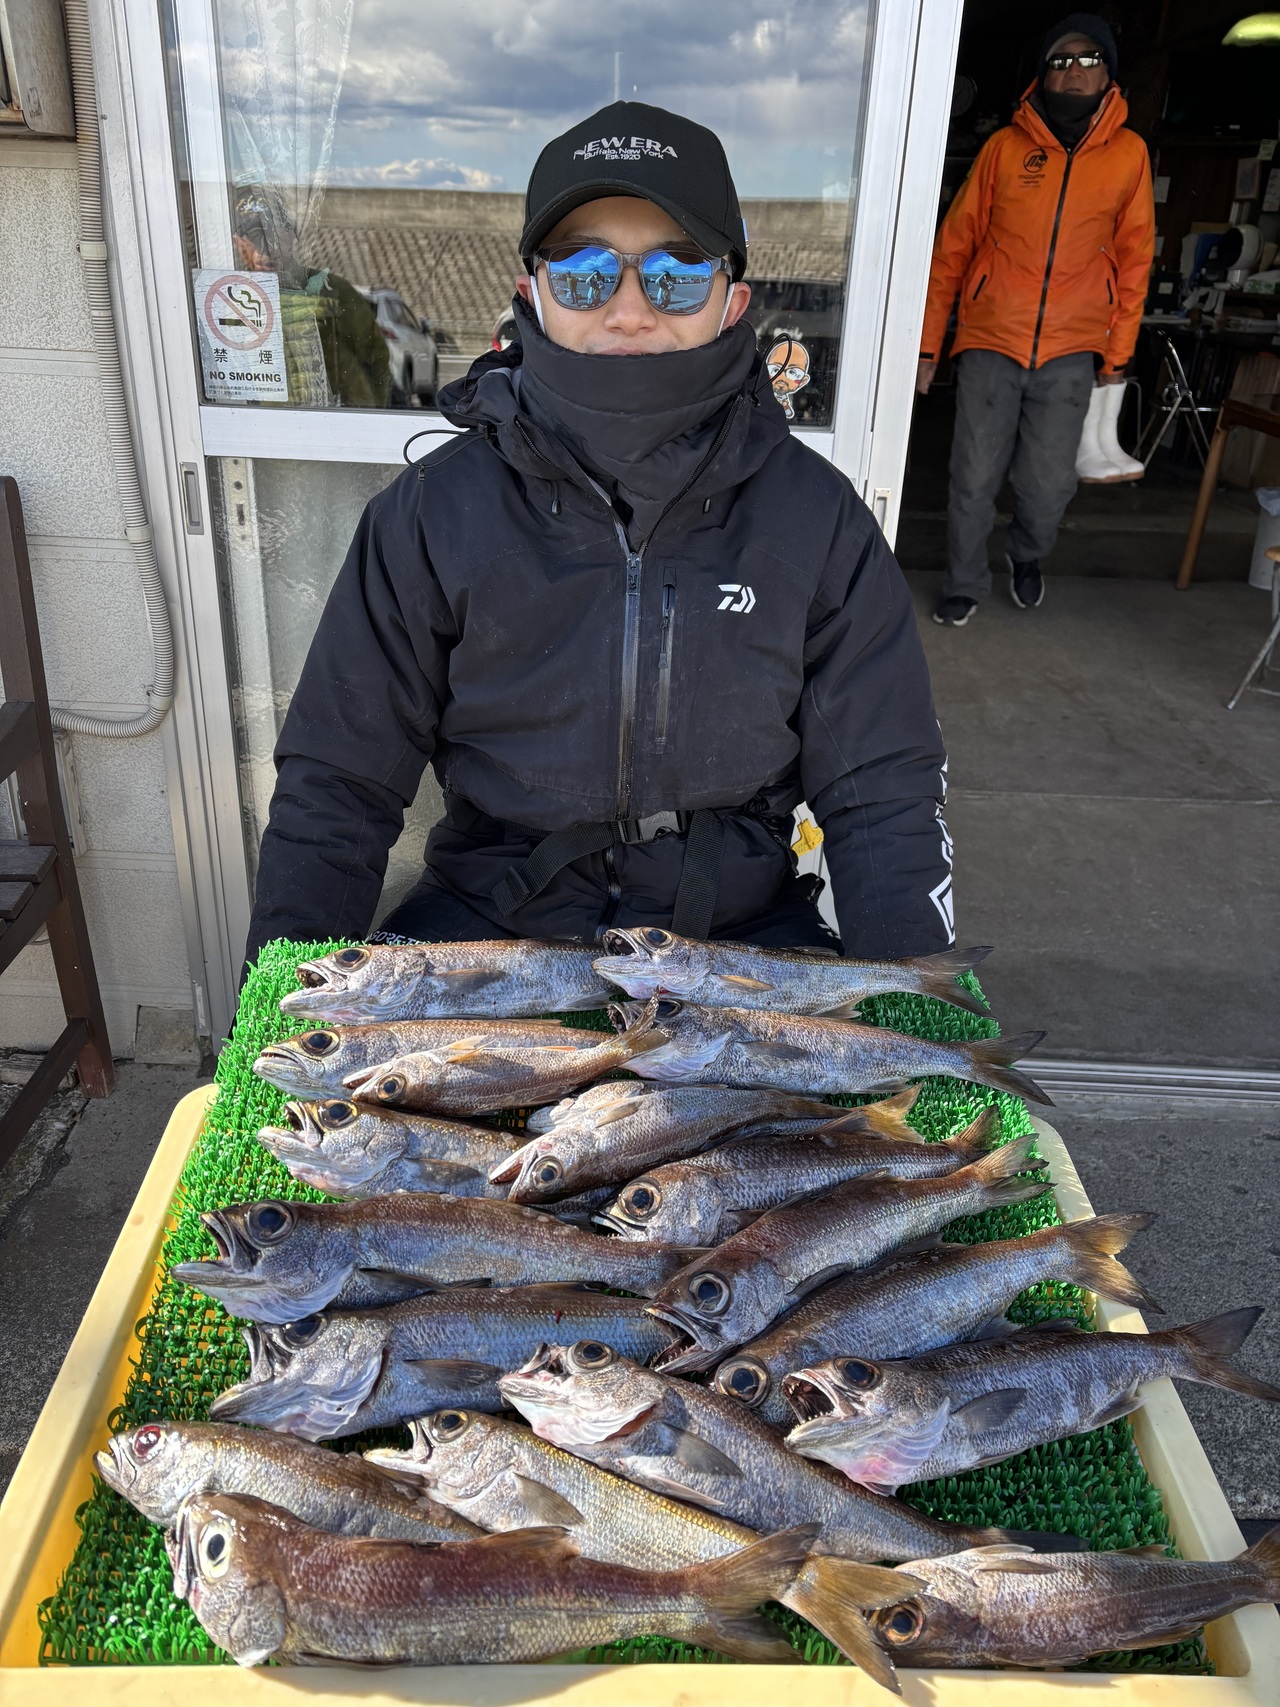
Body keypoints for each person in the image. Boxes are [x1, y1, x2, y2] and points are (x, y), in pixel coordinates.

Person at [244, 101, 954, 964]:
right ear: (532, 294)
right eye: (583, 272)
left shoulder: (819, 519)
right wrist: (279, 998)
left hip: (735, 932)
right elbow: (337, 780)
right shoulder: (430, 512)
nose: (628, 310)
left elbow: (883, 788)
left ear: (733, 303)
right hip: (488, 921)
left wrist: (918, 993)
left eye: (676, 273)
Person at [918, 13, 1155, 626]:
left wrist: (1118, 357)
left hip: (1072, 350)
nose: (1073, 72)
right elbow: (953, 249)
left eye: (1087, 59)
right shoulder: (1004, 148)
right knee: (972, 477)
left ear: (1108, 73)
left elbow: (1135, 260)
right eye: (1060, 61)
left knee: (1047, 485)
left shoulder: (1129, 155)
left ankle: (1026, 553)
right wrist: (927, 348)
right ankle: (964, 581)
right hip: (990, 340)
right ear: (1042, 74)